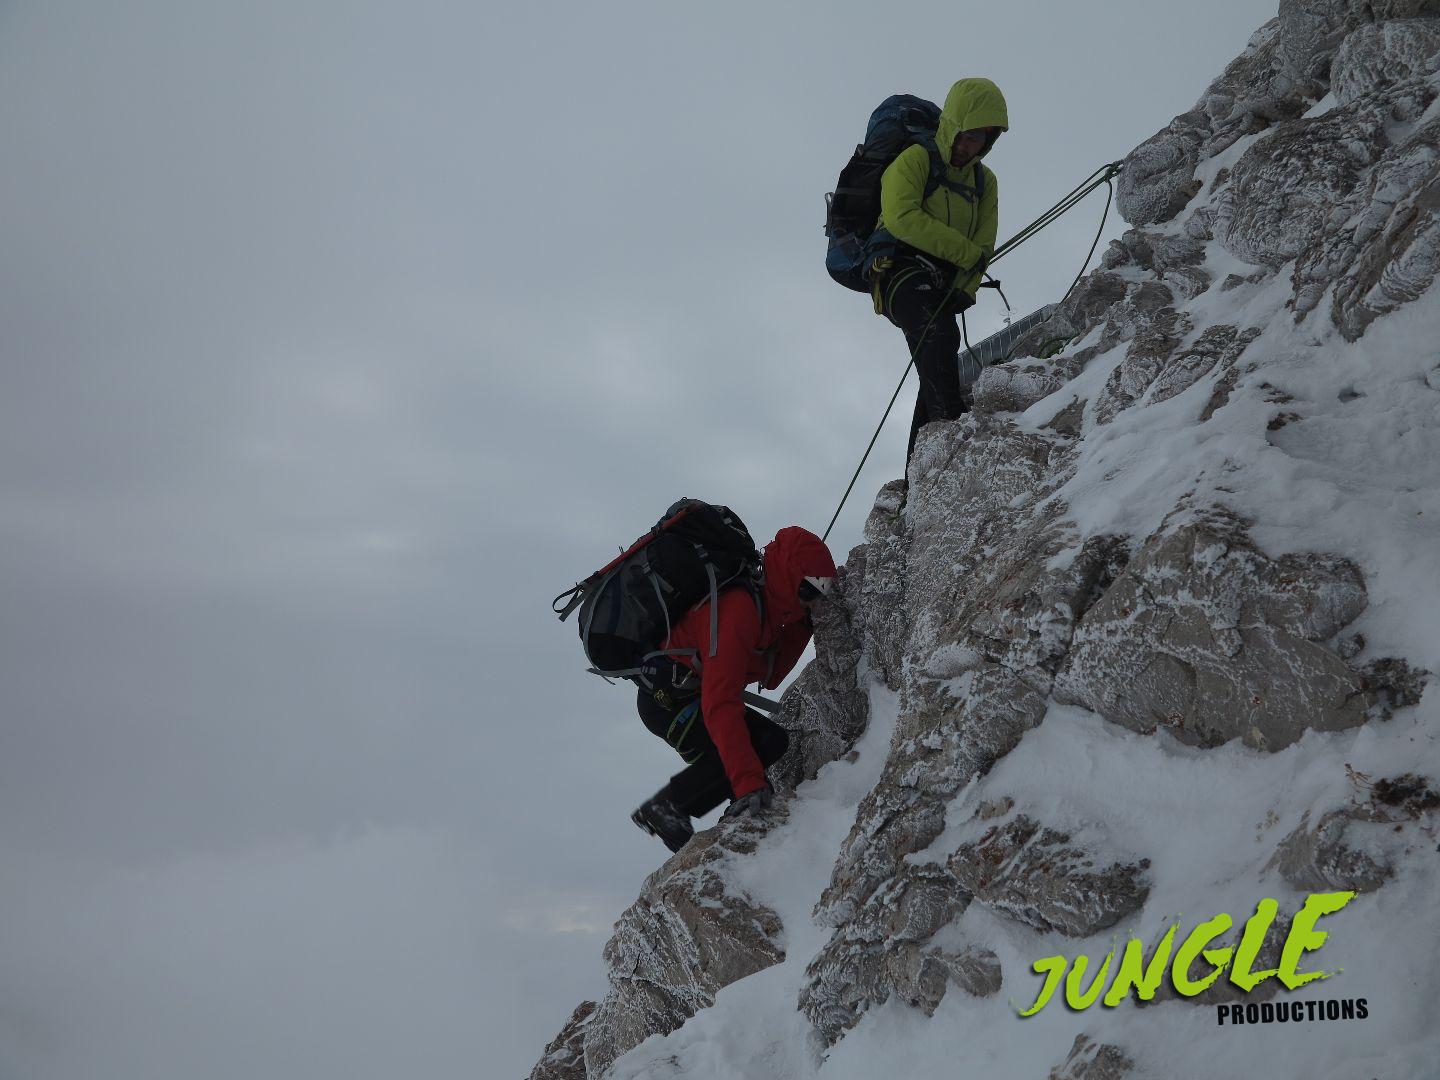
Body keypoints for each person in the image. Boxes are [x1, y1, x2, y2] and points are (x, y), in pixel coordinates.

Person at [630, 526, 838, 852]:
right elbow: (721, 703)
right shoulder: (739, 609)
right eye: (810, 588)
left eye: (820, 591)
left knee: (769, 741)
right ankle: (666, 809)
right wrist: (749, 784)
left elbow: (768, 675)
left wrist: (801, 626)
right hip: (670, 702)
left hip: (691, 697)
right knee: (754, 746)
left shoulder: (764, 611)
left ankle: (731, 812)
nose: (812, 598)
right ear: (788, 574)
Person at [866, 78, 1009, 468]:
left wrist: (966, 285)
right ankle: (950, 427)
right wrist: (964, 255)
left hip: (943, 281)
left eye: (981, 138)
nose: (970, 146)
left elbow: (983, 245)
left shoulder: (984, 182)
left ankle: (920, 472)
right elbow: (901, 217)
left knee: (937, 359)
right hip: (897, 269)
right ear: (953, 126)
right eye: (966, 135)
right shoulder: (916, 159)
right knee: (939, 334)